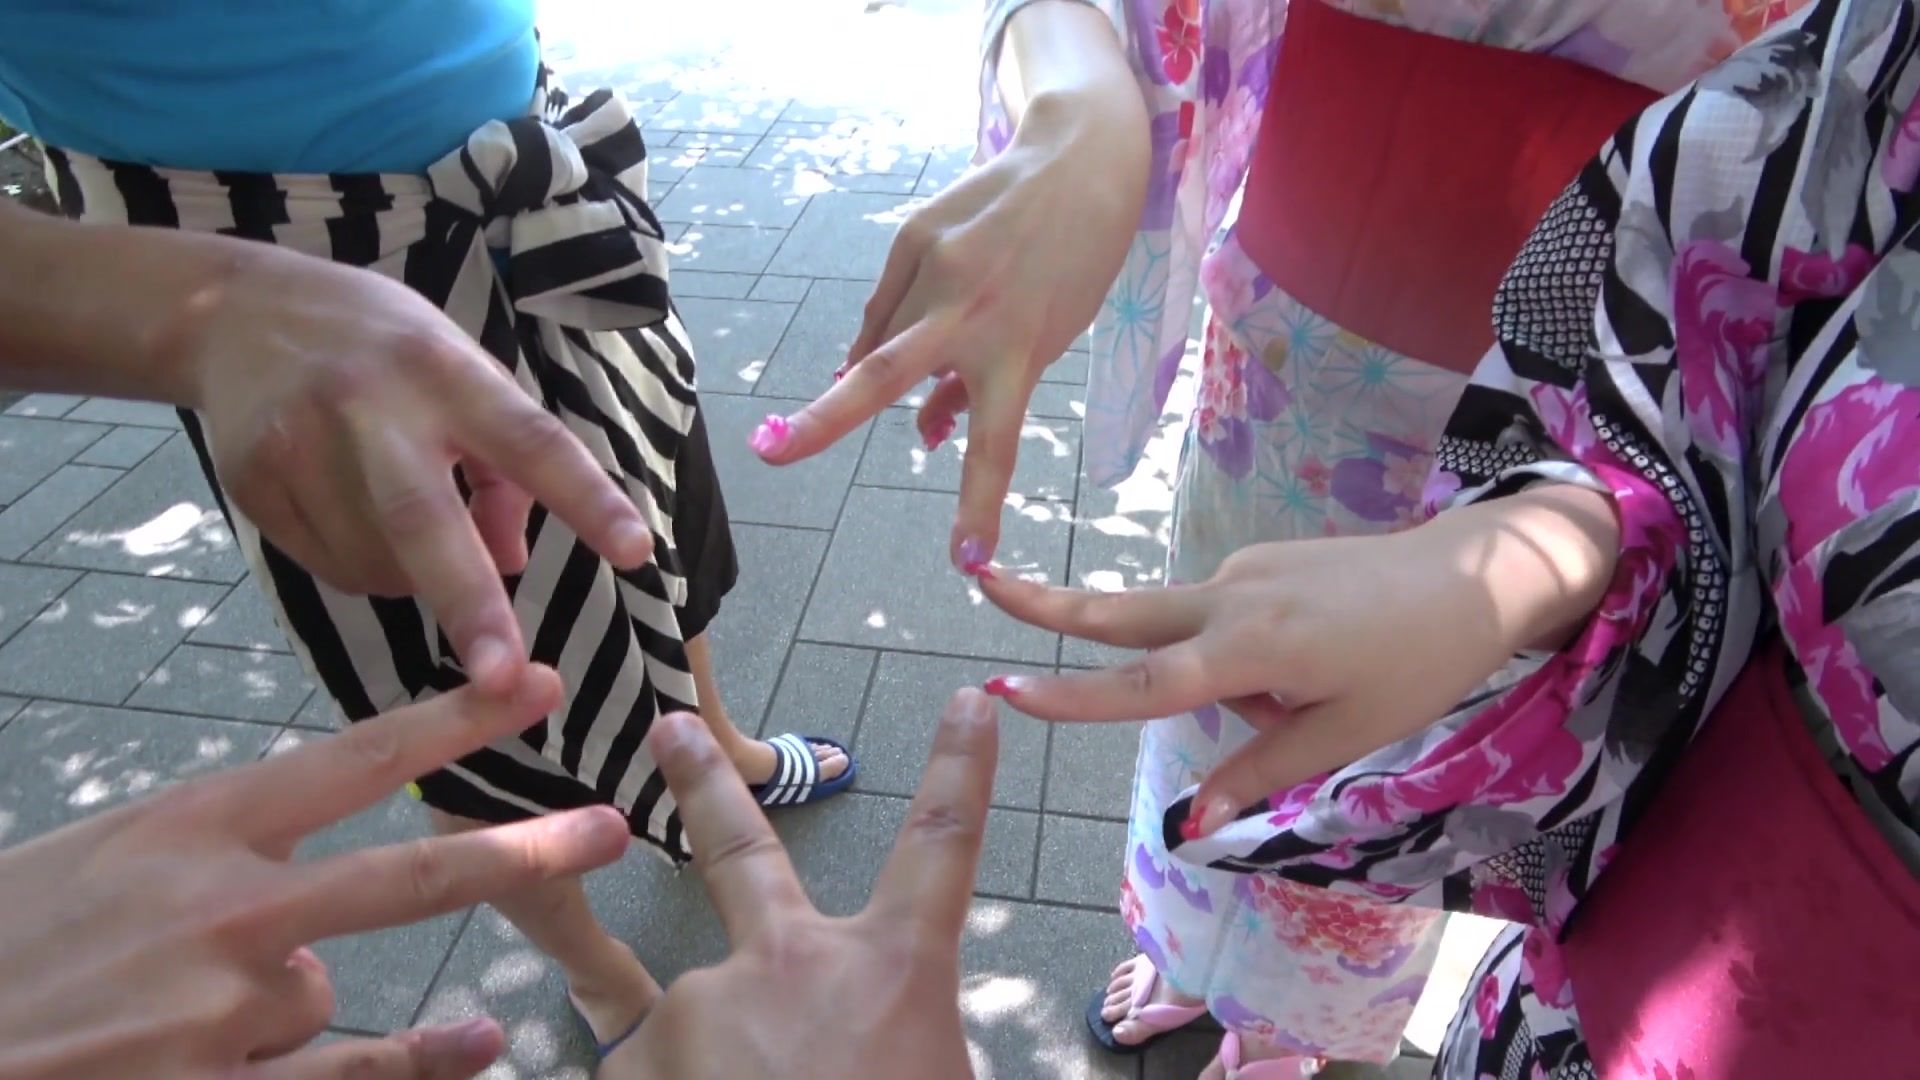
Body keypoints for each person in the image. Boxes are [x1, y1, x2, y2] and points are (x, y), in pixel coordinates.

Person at [761, 0, 1813, 1074]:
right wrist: (1084, 105)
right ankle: (1187, 954)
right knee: (1208, 682)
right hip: (1279, 343)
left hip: (1555, 407)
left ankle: (1284, 1027)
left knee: (1391, 738)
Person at [0, 2, 856, 1056]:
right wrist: (203, 311)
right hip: (275, 292)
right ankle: (595, 973)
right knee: (463, 706)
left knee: (654, 533)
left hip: (538, 188)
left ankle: (715, 756)